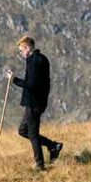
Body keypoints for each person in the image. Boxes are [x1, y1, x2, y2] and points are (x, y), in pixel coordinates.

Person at [4, 36, 63, 171]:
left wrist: (14, 80)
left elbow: (32, 85)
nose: (21, 54)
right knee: (23, 131)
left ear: (27, 47)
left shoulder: (35, 62)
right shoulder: (37, 59)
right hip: (37, 102)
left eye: (21, 50)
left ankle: (39, 165)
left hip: (34, 103)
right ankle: (53, 146)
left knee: (32, 133)